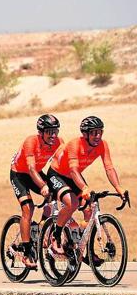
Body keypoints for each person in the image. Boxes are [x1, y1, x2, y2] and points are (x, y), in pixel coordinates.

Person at [47, 116, 127, 259]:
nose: (98, 136)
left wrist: (118, 188)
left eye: (100, 132)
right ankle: (56, 235)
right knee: (72, 203)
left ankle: (80, 245)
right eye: (94, 133)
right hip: (57, 174)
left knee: (90, 211)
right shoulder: (74, 144)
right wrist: (84, 188)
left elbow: (109, 168)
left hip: (73, 176)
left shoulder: (102, 145)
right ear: (85, 134)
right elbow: (73, 170)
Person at [9, 114, 63, 268]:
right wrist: (43, 186)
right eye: (49, 132)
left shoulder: (59, 142)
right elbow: (31, 170)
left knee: (56, 196)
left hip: (37, 173)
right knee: (28, 208)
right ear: (41, 132)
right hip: (20, 174)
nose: (53, 135)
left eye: (55, 131)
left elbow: (63, 163)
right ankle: (26, 254)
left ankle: (42, 226)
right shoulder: (31, 141)